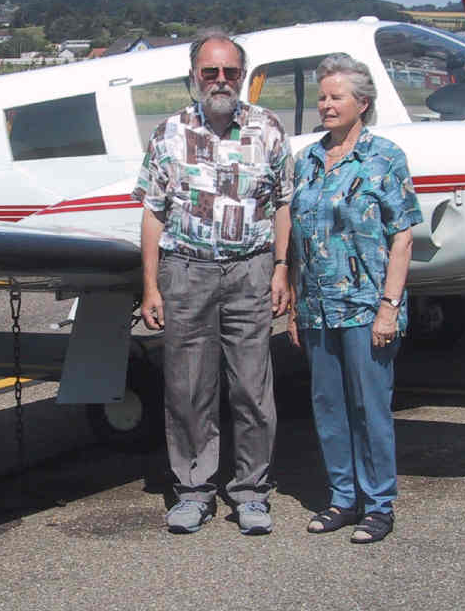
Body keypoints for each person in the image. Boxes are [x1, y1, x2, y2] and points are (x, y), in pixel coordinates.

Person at [132, 29, 292, 535]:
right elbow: (153, 213)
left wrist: (283, 268)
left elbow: (283, 202)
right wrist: (151, 286)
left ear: (242, 76)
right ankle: (193, 491)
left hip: (251, 271)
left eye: (230, 72)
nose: (220, 80)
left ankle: (250, 493)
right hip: (187, 272)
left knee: (251, 388)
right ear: (194, 76)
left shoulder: (267, 128)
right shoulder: (168, 133)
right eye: (210, 72)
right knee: (187, 388)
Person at [287, 53, 422, 544]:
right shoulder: (309, 160)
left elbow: (402, 237)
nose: (325, 104)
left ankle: (379, 503)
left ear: (362, 103)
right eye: (322, 96)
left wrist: (389, 306)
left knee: (370, 407)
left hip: (367, 307)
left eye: (335, 96)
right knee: (328, 407)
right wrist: (297, 305)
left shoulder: (384, 157)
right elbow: (299, 236)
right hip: (318, 307)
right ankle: (342, 498)